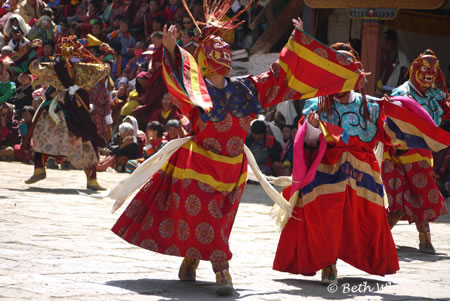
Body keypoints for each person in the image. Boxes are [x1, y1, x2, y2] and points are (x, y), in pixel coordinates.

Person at [109, 8, 366, 296]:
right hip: (199, 166)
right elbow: (177, 81)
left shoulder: (247, 89)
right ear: (204, 62)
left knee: (218, 221)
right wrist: (170, 50)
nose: (223, 54)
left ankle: (191, 259)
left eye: (225, 50)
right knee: (207, 219)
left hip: (233, 170)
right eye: (215, 51)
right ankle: (222, 273)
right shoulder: (196, 93)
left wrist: (296, 43)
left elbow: (280, 76)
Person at [272, 43, 450, 284]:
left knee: (364, 222)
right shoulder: (317, 104)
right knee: (327, 219)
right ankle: (328, 263)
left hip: (363, 174)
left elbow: (390, 136)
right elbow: (308, 141)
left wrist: (398, 116)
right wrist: (312, 127)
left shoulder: (373, 105)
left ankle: (414, 241)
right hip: (327, 172)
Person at [9, 36, 110, 190]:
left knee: (42, 136)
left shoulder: (54, 67)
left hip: (59, 107)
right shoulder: (87, 68)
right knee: (84, 141)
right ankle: (91, 179)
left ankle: (39, 169)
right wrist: (109, 54)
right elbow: (105, 69)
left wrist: (33, 51)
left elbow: (35, 68)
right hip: (75, 109)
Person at [382, 49, 449, 254]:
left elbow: (445, 111)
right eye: (425, 69)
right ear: (414, 69)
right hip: (397, 151)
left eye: (434, 70)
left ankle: (424, 239)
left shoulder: (435, 94)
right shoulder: (401, 93)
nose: (430, 74)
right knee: (399, 200)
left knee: (421, 194)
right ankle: (382, 236)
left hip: (422, 151)